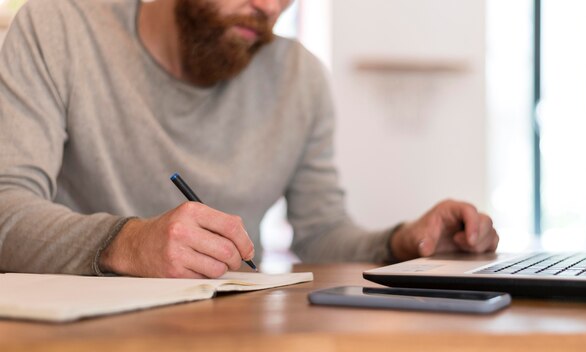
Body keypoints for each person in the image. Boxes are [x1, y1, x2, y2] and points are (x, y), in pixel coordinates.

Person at [0, 0, 499, 278]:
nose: (268, 7)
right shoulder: (58, 29)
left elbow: (321, 234)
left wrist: (401, 242)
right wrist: (126, 243)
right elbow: (6, 211)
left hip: (234, 332)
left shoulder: (299, 79)